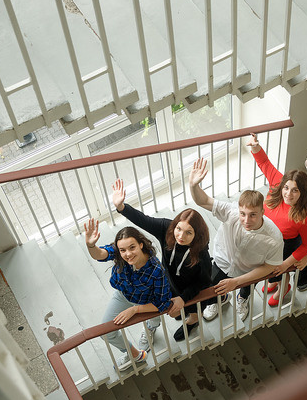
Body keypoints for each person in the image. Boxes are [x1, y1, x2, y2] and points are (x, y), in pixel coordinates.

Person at [107, 180, 226, 344]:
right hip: (170, 283)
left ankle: (194, 320)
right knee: (174, 309)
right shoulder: (167, 229)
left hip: (190, 289)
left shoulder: (201, 253)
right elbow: (144, 220)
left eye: (188, 233)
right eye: (179, 229)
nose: (181, 236)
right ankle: (189, 309)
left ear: (196, 235)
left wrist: (183, 298)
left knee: (193, 308)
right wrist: (122, 207)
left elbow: (202, 282)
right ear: (174, 225)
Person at [184, 155, 288, 302]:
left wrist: (237, 281)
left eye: (253, 215)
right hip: (222, 262)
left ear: (262, 212)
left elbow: (270, 266)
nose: (246, 220)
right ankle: (221, 300)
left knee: (246, 291)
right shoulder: (231, 212)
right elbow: (204, 201)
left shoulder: (274, 238)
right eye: (242, 214)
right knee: (213, 289)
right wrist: (193, 186)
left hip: (249, 273)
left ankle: (243, 298)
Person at [79, 218, 175, 366]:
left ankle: (150, 328)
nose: (128, 254)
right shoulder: (120, 252)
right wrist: (91, 245)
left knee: (154, 321)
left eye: (132, 247)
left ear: (141, 244)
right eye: (123, 250)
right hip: (123, 296)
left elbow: (163, 303)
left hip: (147, 302)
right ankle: (135, 355)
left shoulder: (156, 270)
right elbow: (101, 254)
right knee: (106, 332)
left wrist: (134, 310)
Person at [251, 141, 307, 303]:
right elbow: (264, 162)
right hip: (266, 237)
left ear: (302, 193)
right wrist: (255, 146)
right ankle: (274, 282)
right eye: (286, 188)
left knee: (278, 270)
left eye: (295, 190)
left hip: (284, 245)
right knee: (267, 268)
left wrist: (286, 264)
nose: (288, 194)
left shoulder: (305, 216)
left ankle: (283, 287)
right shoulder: (277, 183)